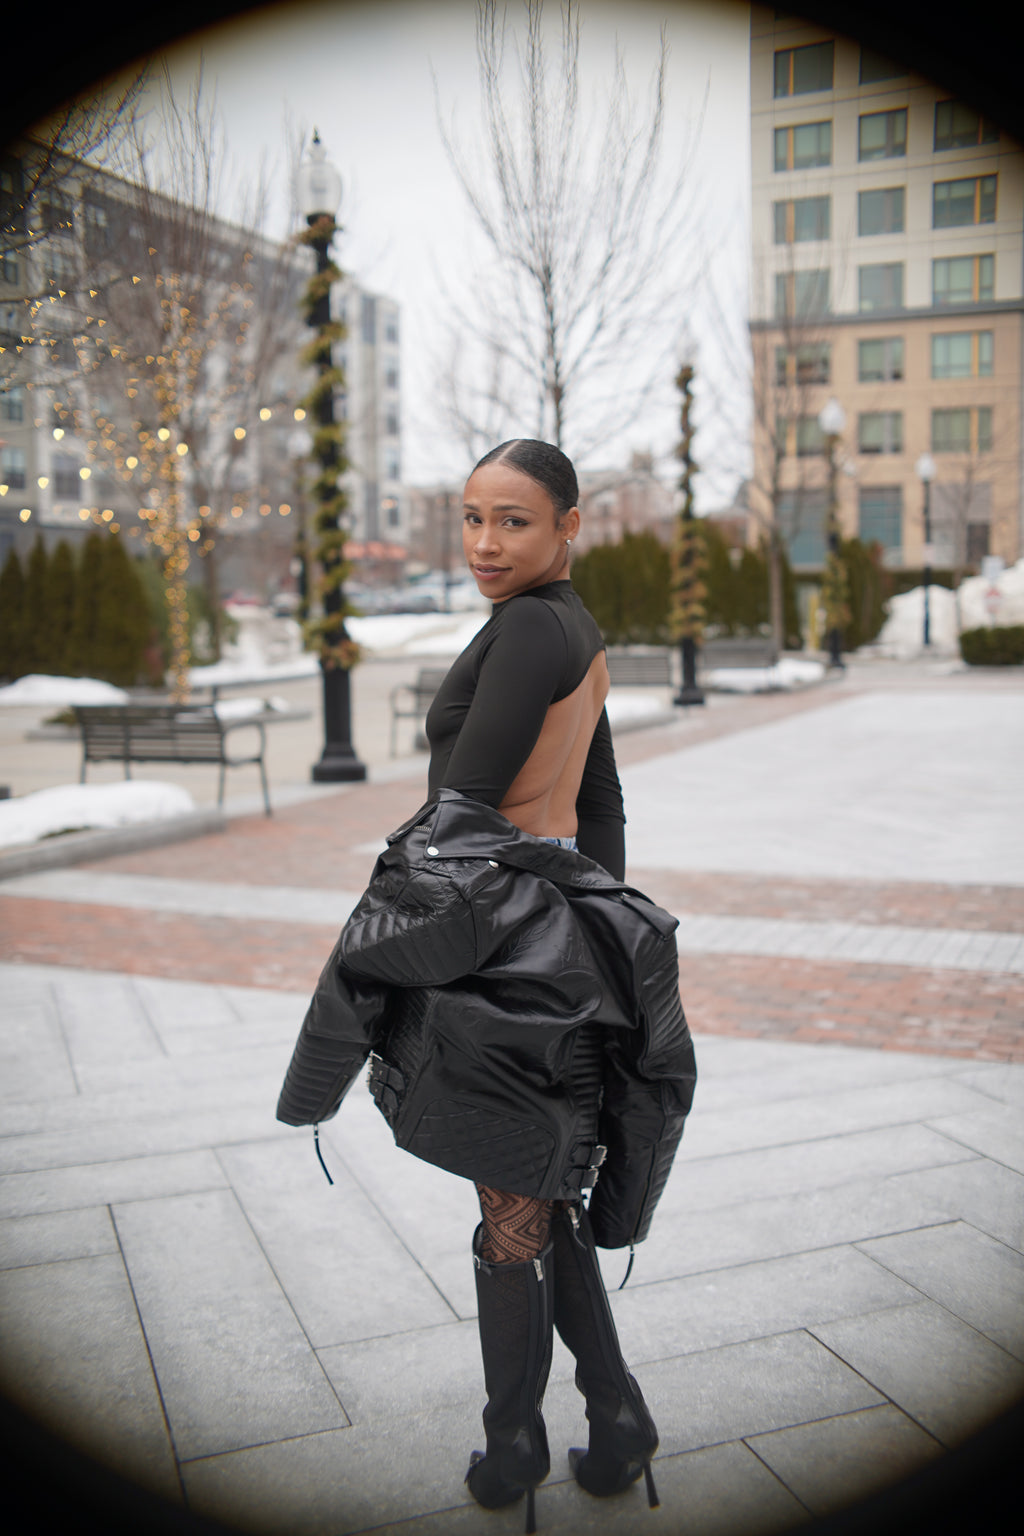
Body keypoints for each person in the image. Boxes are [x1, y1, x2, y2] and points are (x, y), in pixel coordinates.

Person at [277, 439, 696, 1534]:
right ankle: (615, 1419)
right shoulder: (575, 628)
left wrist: (396, 946)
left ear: (569, 525)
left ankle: (513, 1445)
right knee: (540, 1193)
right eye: (472, 517)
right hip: (548, 949)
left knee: (512, 1211)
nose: (484, 543)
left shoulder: (524, 630)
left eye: (513, 521)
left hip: (500, 963)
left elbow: (459, 818)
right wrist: (591, 922)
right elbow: (598, 802)